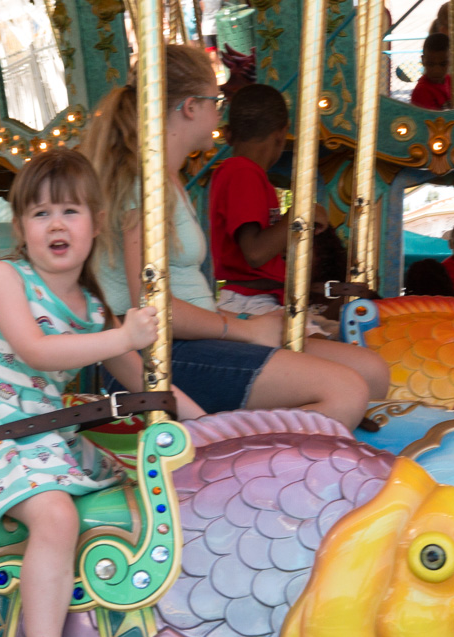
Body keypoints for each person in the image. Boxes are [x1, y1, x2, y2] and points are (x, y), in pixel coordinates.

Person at [0, 148, 203, 637]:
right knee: (56, 515)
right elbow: (35, 350)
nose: (56, 225)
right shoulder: (7, 280)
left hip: (46, 439)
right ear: (20, 229)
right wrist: (123, 335)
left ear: (96, 222)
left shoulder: (91, 309)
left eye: (70, 210)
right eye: (40, 213)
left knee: (145, 487)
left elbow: (143, 380)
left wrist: (209, 426)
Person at [82, 44, 388, 430]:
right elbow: (151, 305)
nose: (219, 113)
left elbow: (188, 296)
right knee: (345, 391)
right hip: (156, 355)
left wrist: (244, 320)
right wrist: (244, 329)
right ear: (191, 107)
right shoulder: (145, 182)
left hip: (194, 338)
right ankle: (233, 464)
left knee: (372, 372)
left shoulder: (168, 179)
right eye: (217, 101)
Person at [207, 82, 387, 390]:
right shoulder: (242, 172)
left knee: (341, 340)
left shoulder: (245, 174)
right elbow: (255, 252)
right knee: (361, 370)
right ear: (282, 133)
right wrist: (298, 216)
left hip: (261, 299)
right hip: (251, 303)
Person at [410, 33, 452, 110]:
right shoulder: (421, 91)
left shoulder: (450, 81)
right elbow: (432, 120)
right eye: (431, 64)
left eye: (443, 64)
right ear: (423, 60)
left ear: (450, 61)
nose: (436, 70)